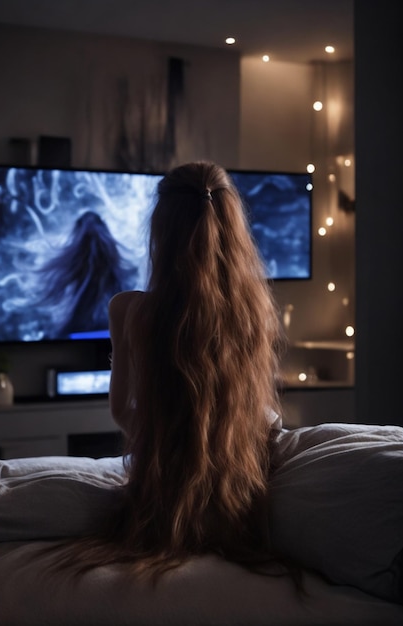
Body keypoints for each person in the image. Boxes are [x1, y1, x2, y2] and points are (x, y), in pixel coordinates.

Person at [51, 160, 285, 581]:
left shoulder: (129, 309)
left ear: (161, 229)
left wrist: (170, 441)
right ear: (232, 226)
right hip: (237, 499)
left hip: (160, 500)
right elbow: (262, 417)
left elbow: (123, 412)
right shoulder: (256, 312)